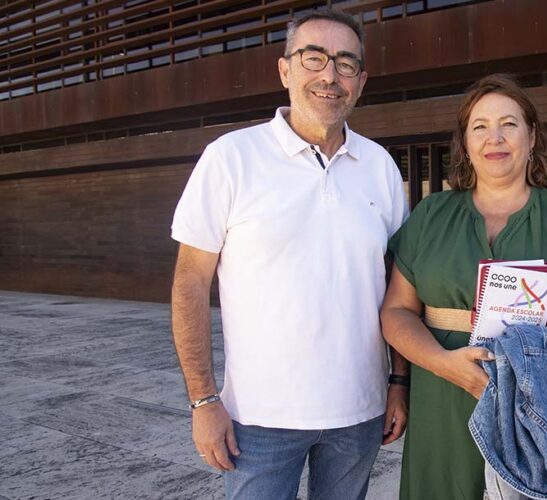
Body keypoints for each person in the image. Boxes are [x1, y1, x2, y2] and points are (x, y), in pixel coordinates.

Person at [170, 8, 409, 499]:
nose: (329, 75)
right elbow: (190, 281)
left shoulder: (380, 166)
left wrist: (398, 381)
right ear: (285, 70)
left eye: (345, 63)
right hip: (258, 420)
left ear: (360, 81)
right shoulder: (230, 158)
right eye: (314, 58)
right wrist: (202, 400)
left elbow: (398, 285)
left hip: (359, 414)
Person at [379, 74, 547, 500]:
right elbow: (396, 311)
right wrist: (443, 363)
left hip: (537, 404)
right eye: (480, 126)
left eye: (509, 123)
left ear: (532, 135)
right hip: (441, 396)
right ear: (465, 142)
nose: (495, 138)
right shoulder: (431, 215)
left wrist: (533, 364)